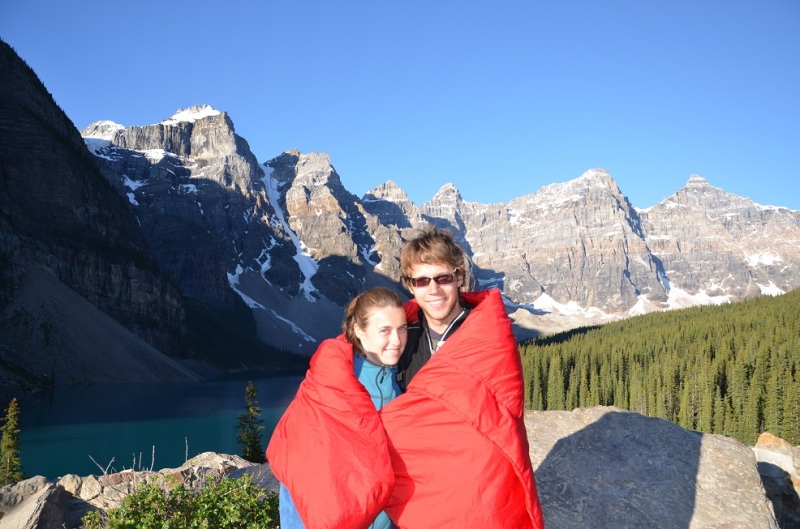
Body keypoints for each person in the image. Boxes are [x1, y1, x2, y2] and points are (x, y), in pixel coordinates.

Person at [380, 225, 546, 528]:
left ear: (459, 277)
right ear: (409, 285)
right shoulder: (403, 335)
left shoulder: (486, 332)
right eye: (421, 280)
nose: (433, 289)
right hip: (423, 480)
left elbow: (503, 413)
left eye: (443, 277)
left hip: (478, 479)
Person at [267, 287, 407, 529]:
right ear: (359, 331)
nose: (396, 340)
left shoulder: (403, 382)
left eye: (402, 328)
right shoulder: (331, 383)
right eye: (384, 330)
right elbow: (303, 464)